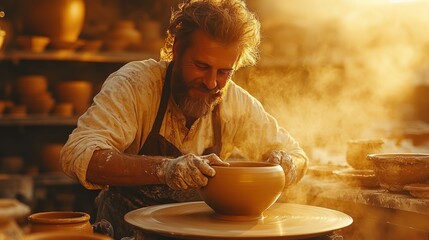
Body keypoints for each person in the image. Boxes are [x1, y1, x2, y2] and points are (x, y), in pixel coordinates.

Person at [60, 0, 308, 239]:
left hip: (201, 235)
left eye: (224, 72)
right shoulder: (136, 85)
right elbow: (79, 155)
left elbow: (296, 154)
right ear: (177, 50)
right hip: (131, 231)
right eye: (201, 66)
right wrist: (165, 169)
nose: (211, 83)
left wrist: (285, 163)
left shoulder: (235, 102)